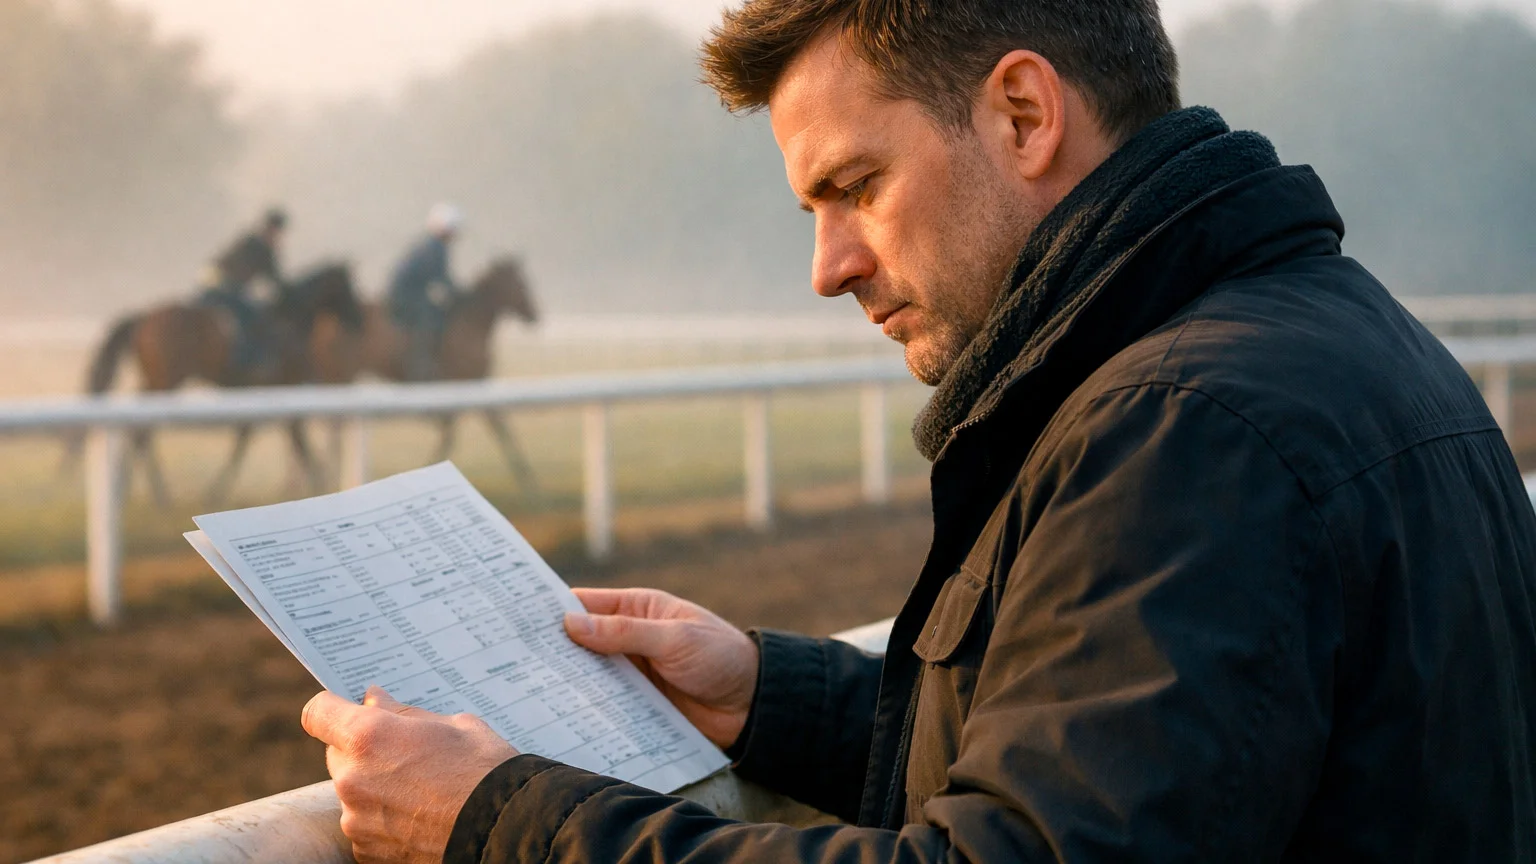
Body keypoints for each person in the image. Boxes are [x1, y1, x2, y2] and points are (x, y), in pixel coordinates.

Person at [301, 1, 1536, 861]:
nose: (828, 266)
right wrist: (768, 697)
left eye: (855, 187)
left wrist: (504, 824)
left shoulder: (1181, 429)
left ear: (1023, 114)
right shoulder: (1338, 334)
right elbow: (1126, 759)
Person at [200, 208, 289, 372]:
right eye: (276, 231)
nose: (276, 235)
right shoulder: (261, 247)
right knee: (250, 316)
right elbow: (276, 280)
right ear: (272, 229)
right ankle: (242, 358)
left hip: (212, 286)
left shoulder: (251, 241)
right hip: (224, 289)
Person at [387, 203, 465, 381]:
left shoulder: (433, 245)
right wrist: (459, 294)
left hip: (410, 291)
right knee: (430, 318)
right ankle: (420, 365)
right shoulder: (436, 248)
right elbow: (440, 278)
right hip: (406, 294)